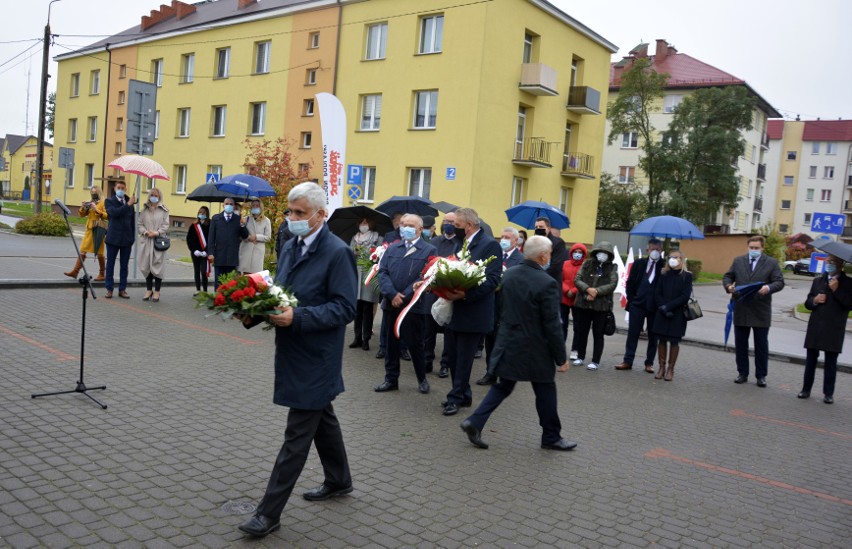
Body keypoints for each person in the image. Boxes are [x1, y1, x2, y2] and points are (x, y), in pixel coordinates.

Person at [237, 182, 357, 539]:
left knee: (297, 436)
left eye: (300, 213)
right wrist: (251, 311)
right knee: (323, 419)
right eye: (290, 212)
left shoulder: (338, 253)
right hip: (293, 350)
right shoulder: (290, 246)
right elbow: (280, 292)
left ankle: (267, 514)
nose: (292, 219)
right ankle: (339, 480)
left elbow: (345, 308)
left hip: (317, 357)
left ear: (322, 214)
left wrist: (299, 318)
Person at [460, 235, 576, 451]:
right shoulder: (547, 283)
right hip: (536, 347)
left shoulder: (510, 274)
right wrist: (561, 357)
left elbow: (502, 308)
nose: (550, 257)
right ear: (542, 256)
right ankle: (551, 436)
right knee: (545, 389)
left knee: (503, 385)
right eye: (549, 253)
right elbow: (552, 324)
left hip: (509, 341)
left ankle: (474, 422)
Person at [441, 207, 502, 416]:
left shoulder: (490, 245)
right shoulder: (460, 243)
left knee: (464, 359)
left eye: (456, 225)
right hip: (454, 310)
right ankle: (464, 395)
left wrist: (466, 295)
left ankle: (455, 397)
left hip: (474, 312)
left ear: (468, 226)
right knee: (453, 357)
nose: (453, 228)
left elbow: (493, 280)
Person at [375, 214, 437, 394]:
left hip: (413, 307)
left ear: (419, 229)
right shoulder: (393, 248)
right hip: (391, 304)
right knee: (391, 345)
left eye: (410, 225)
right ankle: (391, 379)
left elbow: (425, 276)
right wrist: (392, 294)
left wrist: (405, 295)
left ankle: (421, 379)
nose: (405, 227)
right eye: (403, 224)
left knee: (415, 345)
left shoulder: (428, 250)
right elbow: (383, 272)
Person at [723, 235, 784, 387]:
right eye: (751, 248)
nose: (754, 250)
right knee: (741, 344)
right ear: (748, 247)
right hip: (742, 308)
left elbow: (779, 281)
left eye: (757, 248)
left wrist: (769, 288)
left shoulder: (771, 263)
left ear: (762, 248)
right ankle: (742, 373)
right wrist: (729, 286)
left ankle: (761, 375)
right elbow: (727, 276)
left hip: (760, 310)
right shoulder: (738, 261)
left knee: (761, 345)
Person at [799, 254, 852, 404]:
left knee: (830, 362)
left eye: (833, 262)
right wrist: (814, 300)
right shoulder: (818, 280)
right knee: (810, 361)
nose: (829, 264)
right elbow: (808, 302)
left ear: (840, 265)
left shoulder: (848, 283)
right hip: (816, 326)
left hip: (834, 327)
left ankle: (828, 393)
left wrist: (837, 290)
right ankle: (805, 389)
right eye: (827, 261)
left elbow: (849, 304)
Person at [476, 227, 524, 386]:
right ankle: (490, 373)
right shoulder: (494, 255)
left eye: (507, 237)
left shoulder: (521, 259)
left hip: (508, 306)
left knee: (505, 342)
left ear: (516, 241)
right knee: (490, 340)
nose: (503, 239)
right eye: (502, 236)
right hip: (491, 305)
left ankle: (506, 372)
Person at [615, 239, 664, 373]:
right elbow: (630, 283)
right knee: (633, 333)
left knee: (654, 336)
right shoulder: (638, 264)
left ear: (661, 251)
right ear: (648, 250)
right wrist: (632, 300)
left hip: (655, 307)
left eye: (658, 250)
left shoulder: (664, 266)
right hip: (638, 304)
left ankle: (649, 363)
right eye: (652, 249)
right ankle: (627, 361)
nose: (655, 252)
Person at [425, 211, 462, 377]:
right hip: (432, 291)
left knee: (449, 331)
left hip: (449, 293)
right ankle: (427, 360)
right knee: (429, 329)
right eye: (445, 220)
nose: (448, 224)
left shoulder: (461, 244)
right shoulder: (434, 241)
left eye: (452, 222)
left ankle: (445, 364)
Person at [572, 241, 617, 371]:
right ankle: (580, 357)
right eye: (600, 252)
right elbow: (577, 279)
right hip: (584, 303)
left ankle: (595, 361)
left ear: (609, 255)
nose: (602, 255)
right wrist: (588, 289)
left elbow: (612, 284)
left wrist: (596, 291)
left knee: (598, 334)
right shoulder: (587, 264)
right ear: (595, 253)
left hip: (601, 306)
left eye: (605, 253)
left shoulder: (612, 268)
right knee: (582, 332)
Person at [651, 250, 693, 381]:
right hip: (662, 313)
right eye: (671, 257)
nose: (673, 259)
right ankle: (661, 368)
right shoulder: (664, 274)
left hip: (677, 314)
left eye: (676, 257)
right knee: (661, 340)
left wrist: (669, 306)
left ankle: (670, 369)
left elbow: (685, 296)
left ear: (682, 259)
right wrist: (663, 307)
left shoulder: (687, 276)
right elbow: (657, 293)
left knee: (674, 341)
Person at [349, 218, 383, 350]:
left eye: (366, 222)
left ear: (371, 224)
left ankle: (366, 338)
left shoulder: (377, 238)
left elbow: (380, 255)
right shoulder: (354, 238)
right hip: (356, 274)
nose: (363, 225)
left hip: (370, 274)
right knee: (357, 309)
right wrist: (354, 252)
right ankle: (357, 337)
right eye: (361, 223)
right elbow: (349, 252)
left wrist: (372, 254)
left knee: (368, 308)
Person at [64, 185, 108, 281]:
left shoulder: (103, 202)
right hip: (89, 229)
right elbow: (82, 215)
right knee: (83, 250)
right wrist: (83, 207)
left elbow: (106, 215)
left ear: (99, 192)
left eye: (95, 192)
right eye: (92, 192)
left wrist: (96, 208)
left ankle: (102, 273)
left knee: (100, 252)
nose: (93, 194)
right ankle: (75, 271)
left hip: (98, 229)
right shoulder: (90, 201)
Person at [103, 181, 136, 299]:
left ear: (126, 189)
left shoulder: (130, 202)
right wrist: (127, 205)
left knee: (124, 266)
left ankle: (122, 289)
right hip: (113, 238)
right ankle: (109, 289)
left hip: (126, 239)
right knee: (110, 264)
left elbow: (132, 221)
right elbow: (114, 213)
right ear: (115, 189)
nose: (121, 189)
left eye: (123, 188)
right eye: (119, 188)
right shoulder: (109, 201)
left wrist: (132, 237)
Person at [207, 197, 248, 290]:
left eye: (231, 204)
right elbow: (211, 238)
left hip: (232, 257)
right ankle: (218, 302)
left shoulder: (238, 219)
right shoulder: (216, 218)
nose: (228, 206)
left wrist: (242, 225)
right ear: (223, 205)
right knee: (219, 283)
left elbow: (245, 236)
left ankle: (227, 303)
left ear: (234, 206)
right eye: (227, 204)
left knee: (230, 284)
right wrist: (210, 253)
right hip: (219, 256)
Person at [137, 188, 170, 302]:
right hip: (146, 241)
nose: (154, 197)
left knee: (157, 266)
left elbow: (166, 225)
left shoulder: (164, 210)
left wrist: (156, 232)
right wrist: (146, 232)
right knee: (146, 265)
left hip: (158, 241)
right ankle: (148, 290)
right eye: (152, 195)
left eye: (156, 195)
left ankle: (157, 291)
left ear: (159, 196)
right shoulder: (144, 210)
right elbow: (139, 224)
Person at [561, 242, 587, 355]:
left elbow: (584, 281)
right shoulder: (565, 264)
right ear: (571, 253)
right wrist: (567, 290)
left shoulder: (585, 266)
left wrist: (574, 291)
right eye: (575, 252)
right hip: (563, 298)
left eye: (580, 252)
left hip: (578, 299)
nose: (577, 254)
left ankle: (575, 349)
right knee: (562, 325)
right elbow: (560, 279)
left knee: (578, 326)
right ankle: (560, 348)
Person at [239, 199, 272, 274]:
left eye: (257, 206)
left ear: (261, 207)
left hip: (258, 251)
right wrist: (248, 236)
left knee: (255, 276)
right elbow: (241, 235)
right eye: (253, 206)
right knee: (244, 276)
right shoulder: (246, 219)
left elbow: (268, 237)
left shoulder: (266, 221)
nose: (255, 207)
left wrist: (257, 237)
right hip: (246, 250)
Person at [533, 217, 568, 287]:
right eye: (536, 227)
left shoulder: (558, 243)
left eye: (541, 227)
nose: (538, 229)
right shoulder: (534, 243)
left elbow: (555, 266)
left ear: (548, 229)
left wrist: (539, 276)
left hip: (550, 283)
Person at [187, 206, 211, 295]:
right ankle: (198, 289)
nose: (201, 214)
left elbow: (211, 239)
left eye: (203, 213)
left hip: (205, 253)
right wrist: (193, 250)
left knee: (204, 271)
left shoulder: (210, 225)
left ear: (207, 214)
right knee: (196, 270)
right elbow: (189, 239)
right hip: (195, 253)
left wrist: (207, 251)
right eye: (200, 212)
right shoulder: (193, 225)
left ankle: (205, 291)